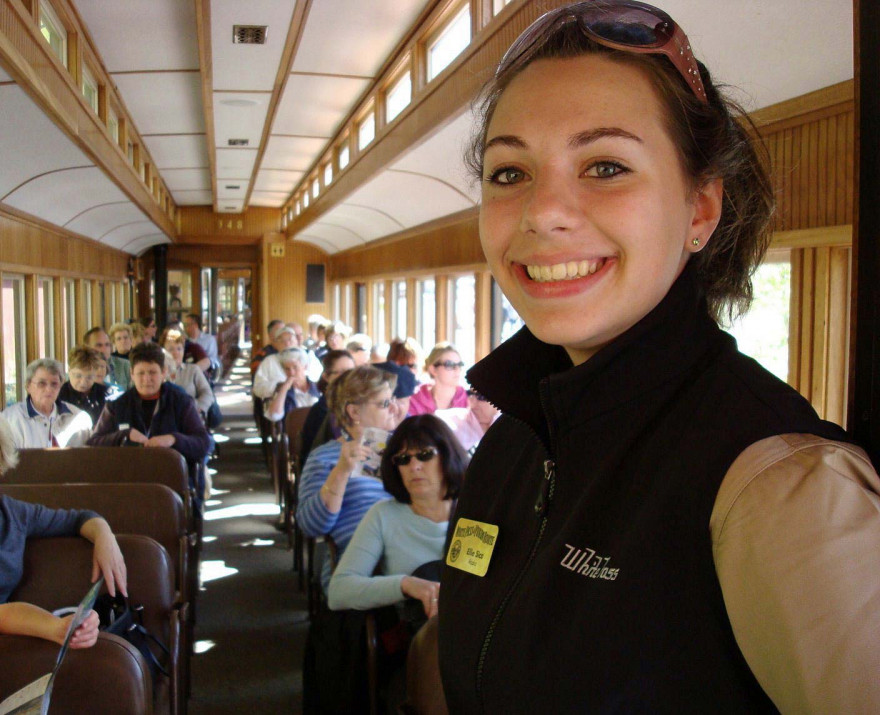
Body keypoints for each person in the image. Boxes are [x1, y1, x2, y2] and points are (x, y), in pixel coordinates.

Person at [439, 3, 880, 712]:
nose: (542, 211)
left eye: (606, 165)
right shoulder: (511, 440)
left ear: (701, 211)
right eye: (509, 172)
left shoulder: (781, 488)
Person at [0, 399, 126, 647]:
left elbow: (78, 518)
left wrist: (104, 536)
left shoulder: (11, 513)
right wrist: (54, 627)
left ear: (0, 452)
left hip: (6, 645)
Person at [328, 415, 467, 615]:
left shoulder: (474, 513)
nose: (414, 466)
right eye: (403, 459)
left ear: (447, 456)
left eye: (425, 454)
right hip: (415, 638)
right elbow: (339, 591)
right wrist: (405, 585)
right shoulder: (383, 515)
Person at [296, 366, 398, 593]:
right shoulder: (324, 458)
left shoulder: (407, 452)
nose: (394, 408)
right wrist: (341, 472)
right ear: (354, 412)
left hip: (408, 547)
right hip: (362, 562)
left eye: (393, 400)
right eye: (384, 403)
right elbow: (310, 526)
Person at [89, 342, 212, 513]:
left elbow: (204, 443)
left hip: (171, 484)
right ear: (132, 374)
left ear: (163, 373)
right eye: (141, 373)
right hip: (128, 485)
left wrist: (174, 439)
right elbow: (93, 444)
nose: (147, 379)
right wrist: (123, 435)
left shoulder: (181, 402)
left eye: (153, 372)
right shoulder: (117, 406)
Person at [2, 358, 93, 448]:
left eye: (54, 384)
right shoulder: (10, 419)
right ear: (28, 386)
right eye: (42, 383)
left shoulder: (79, 419)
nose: (49, 389)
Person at [301, 349, 355, 469]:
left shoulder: (359, 406)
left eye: (352, 372)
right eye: (342, 373)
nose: (348, 377)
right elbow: (312, 455)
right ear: (326, 376)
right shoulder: (321, 411)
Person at [253, 325, 323, 399]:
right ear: (275, 344)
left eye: (290, 339)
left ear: (296, 341)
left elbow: (319, 379)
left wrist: (302, 381)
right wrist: (279, 386)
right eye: (281, 340)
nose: (287, 343)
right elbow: (258, 388)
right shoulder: (269, 361)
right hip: (280, 403)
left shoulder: (309, 356)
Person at [162, 330, 214, 418]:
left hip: (190, 417)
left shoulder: (193, 370)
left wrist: (197, 408)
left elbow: (207, 393)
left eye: (179, 348)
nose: (176, 353)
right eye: (171, 349)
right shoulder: (158, 373)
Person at [407, 343, 467, 416]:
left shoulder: (469, 401)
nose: (457, 369)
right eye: (450, 364)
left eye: (460, 364)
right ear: (433, 370)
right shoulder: (415, 401)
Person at [264, 348, 320, 423]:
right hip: (294, 432)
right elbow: (274, 416)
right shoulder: (282, 389)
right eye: (287, 369)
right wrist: (284, 389)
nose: (291, 373)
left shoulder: (318, 388)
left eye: (295, 367)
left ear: (305, 367)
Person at [57, 346, 109, 425]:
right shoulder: (59, 395)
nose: (83, 382)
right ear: (69, 371)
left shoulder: (106, 394)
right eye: (78, 376)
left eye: (89, 377)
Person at [84, 326, 131, 392]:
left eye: (107, 345)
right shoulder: (80, 369)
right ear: (87, 348)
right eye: (99, 345)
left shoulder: (125, 365)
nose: (104, 349)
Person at [183, 313, 220, 378]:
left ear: (195, 325)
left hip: (205, 371)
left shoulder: (209, 339)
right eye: (184, 325)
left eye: (187, 325)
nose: (185, 328)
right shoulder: (184, 341)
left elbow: (212, 359)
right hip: (187, 371)